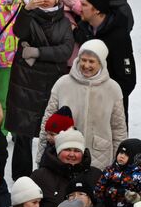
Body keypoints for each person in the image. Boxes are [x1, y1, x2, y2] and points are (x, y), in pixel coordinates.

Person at [6, 0, 74, 178]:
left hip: (51, 84)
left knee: (51, 134)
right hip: (25, 84)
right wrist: (26, 10)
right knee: (23, 134)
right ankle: (21, 178)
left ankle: (47, 176)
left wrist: (36, 52)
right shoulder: (29, 16)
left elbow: (65, 51)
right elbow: (19, 32)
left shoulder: (64, 22)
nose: (45, 0)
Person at [41, 39, 126, 168]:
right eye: (83, 60)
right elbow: (47, 122)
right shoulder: (63, 83)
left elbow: (118, 129)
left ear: (101, 63)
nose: (86, 65)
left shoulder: (113, 88)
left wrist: (119, 163)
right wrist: (41, 156)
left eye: (91, 61)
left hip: (99, 158)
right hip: (66, 155)